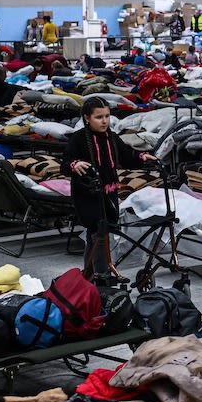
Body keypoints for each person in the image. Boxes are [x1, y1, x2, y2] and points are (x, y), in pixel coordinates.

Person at [63, 96, 152, 278]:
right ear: (87, 118)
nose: (104, 121)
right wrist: (75, 164)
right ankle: (103, 277)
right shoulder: (78, 139)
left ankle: (89, 274)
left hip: (109, 193)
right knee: (98, 233)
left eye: (107, 116)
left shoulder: (111, 137)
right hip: (87, 195)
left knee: (97, 235)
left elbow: (127, 156)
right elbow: (65, 164)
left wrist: (141, 158)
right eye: (99, 117)